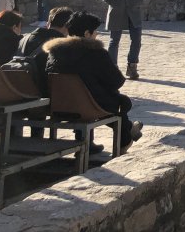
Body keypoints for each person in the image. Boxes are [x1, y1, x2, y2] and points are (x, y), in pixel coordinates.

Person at [44, 11, 143, 152]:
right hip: (89, 105)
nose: (97, 34)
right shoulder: (96, 53)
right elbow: (117, 81)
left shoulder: (54, 52)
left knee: (97, 94)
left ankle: (127, 131)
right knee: (118, 100)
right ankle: (126, 136)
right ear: (86, 33)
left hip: (60, 103)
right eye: (95, 31)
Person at [17, 6, 73, 95]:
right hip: (42, 93)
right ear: (68, 26)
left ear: (49, 23)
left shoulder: (25, 39)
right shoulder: (62, 46)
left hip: (19, 88)